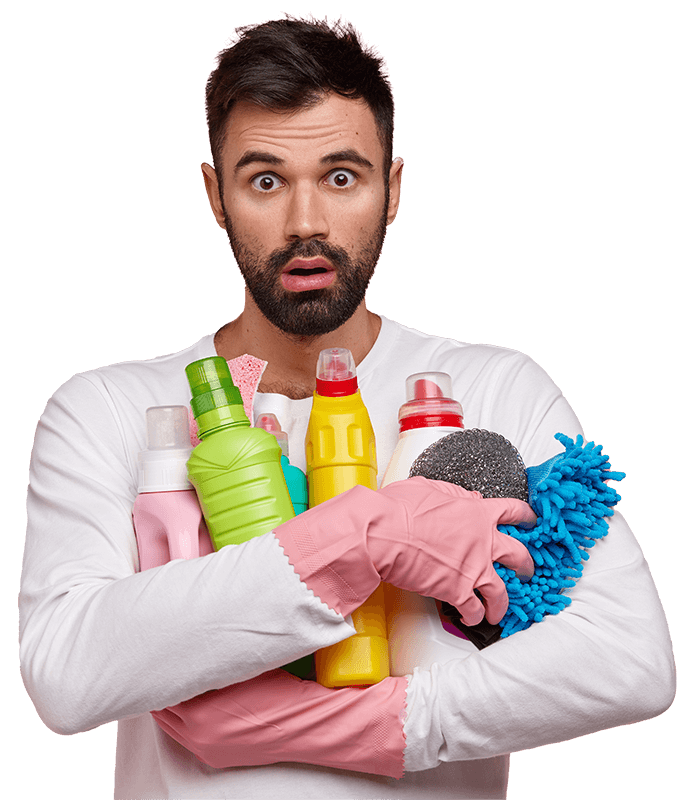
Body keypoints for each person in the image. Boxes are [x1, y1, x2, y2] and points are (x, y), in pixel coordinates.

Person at [21, 15, 675, 800]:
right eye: (265, 179)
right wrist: (364, 537)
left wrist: (373, 727)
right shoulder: (108, 408)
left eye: (341, 177)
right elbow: (66, 678)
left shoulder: (498, 388)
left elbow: (631, 662)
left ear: (392, 189)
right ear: (214, 195)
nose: (306, 223)